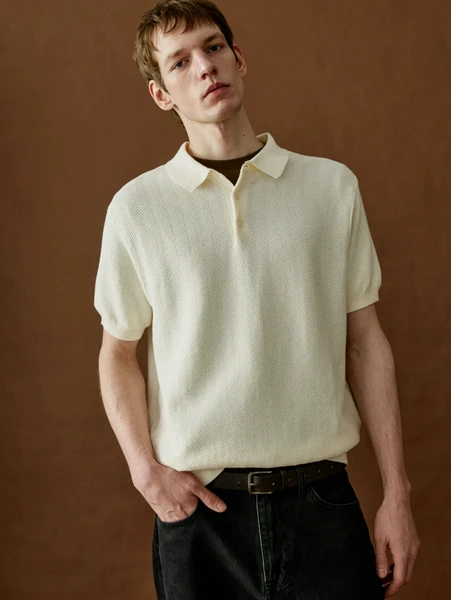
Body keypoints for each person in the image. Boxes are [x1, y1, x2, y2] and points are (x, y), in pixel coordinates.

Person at [93, 1, 420, 598]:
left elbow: (365, 341)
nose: (205, 67)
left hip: (322, 504)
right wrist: (144, 472)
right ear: (161, 94)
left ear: (238, 58)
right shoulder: (136, 210)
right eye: (180, 62)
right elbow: (117, 354)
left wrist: (397, 494)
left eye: (214, 47)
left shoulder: (331, 188)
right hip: (200, 515)